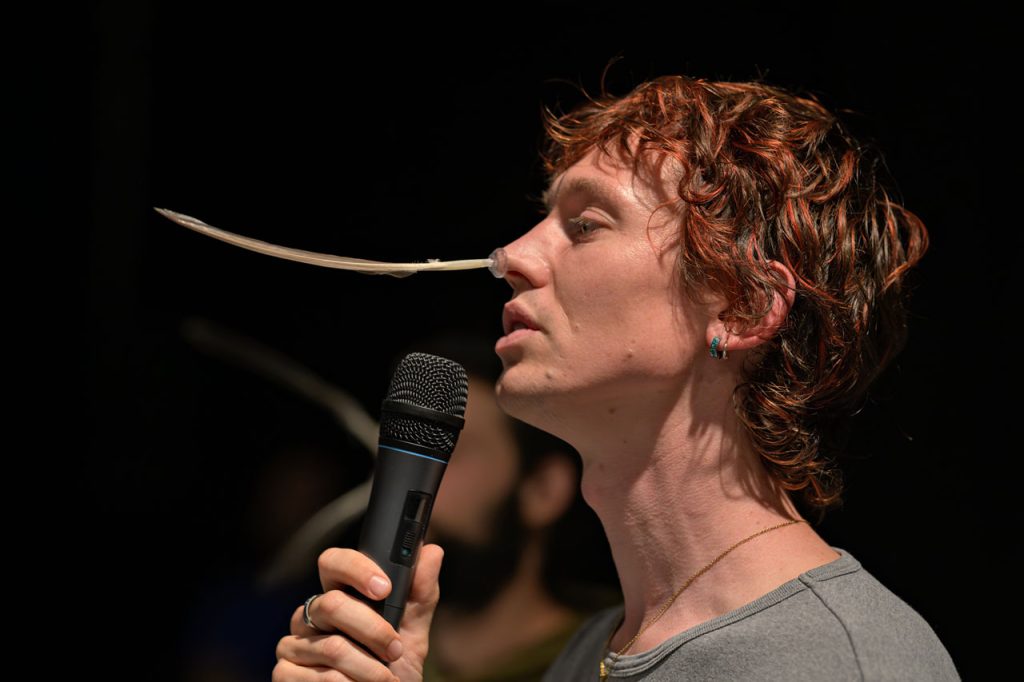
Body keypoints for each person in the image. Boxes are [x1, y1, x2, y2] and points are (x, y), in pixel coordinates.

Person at [273, 73, 959, 681]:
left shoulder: (840, 661)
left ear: (744, 306)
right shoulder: (594, 651)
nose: (510, 256)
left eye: (585, 225)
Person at [405, 335, 618, 681]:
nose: (409, 478)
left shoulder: (614, 657)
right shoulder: (368, 644)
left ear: (543, 489)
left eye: (447, 451)